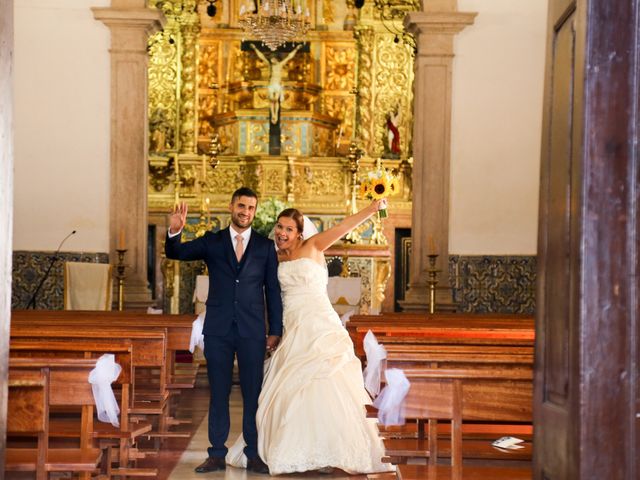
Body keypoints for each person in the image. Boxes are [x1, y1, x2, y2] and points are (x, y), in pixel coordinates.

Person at [227, 199, 394, 475]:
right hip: (293, 329)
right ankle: (294, 449)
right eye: (279, 227)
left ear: (299, 234)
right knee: (289, 389)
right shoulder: (273, 258)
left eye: (289, 229)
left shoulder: (313, 246)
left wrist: (373, 209)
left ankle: (332, 449)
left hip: (320, 327)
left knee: (327, 382)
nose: (281, 233)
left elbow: (343, 226)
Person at [165, 187, 283, 475]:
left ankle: (253, 453)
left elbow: (273, 291)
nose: (246, 212)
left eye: (251, 208)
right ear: (232, 207)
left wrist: (275, 329)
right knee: (218, 392)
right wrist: (175, 231)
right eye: (241, 206)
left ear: (255, 211)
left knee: (252, 393)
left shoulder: (265, 247)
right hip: (218, 328)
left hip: (252, 329)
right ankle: (216, 453)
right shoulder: (213, 241)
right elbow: (176, 252)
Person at [250, 43, 303, 124]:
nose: (271, 60)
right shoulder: (270, 66)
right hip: (271, 84)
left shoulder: (280, 65)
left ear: (276, 59)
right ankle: (273, 115)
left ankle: (276, 116)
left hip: (277, 85)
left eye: (273, 58)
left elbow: (289, 57)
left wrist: (296, 49)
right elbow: (261, 56)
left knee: (276, 101)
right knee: (272, 101)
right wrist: (255, 48)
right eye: (271, 59)